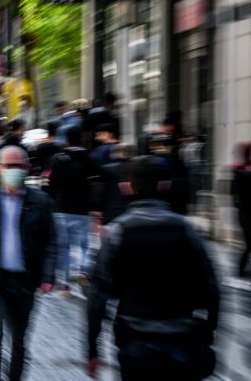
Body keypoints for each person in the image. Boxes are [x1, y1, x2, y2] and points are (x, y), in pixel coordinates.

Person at [86, 156, 220, 381]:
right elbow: (211, 287)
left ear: (126, 188)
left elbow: (98, 295)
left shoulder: (118, 231)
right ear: (165, 186)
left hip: (135, 341)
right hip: (181, 339)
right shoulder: (186, 229)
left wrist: (92, 349)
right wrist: (208, 331)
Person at [0, 146, 57, 381]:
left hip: (25, 282)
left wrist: (48, 276)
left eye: (19, 165)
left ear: (27, 168)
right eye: (8, 166)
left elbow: (50, 240)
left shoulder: (41, 201)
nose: (14, 170)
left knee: (19, 340)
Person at [45, 125, 100, 294]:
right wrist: (95, 206)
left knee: (63, 246)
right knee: (84, 244)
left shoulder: (58, 159)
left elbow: (50, 184)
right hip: (83, 209)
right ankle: (84, 272)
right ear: (82, 139)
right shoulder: (89, 158)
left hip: (61, 209)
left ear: (67, 140)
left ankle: (64, 283)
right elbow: (97, 182)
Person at [232, 142, 251, 277]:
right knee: (249, 244)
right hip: (246, 213)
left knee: (249, 244)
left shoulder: (239, 171)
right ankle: (240, 270)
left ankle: (241, 270)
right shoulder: (241, 172)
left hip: (244, 212)